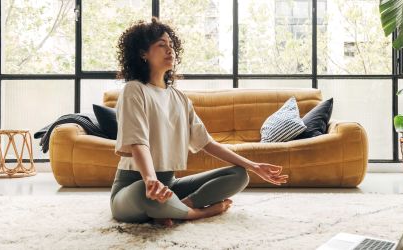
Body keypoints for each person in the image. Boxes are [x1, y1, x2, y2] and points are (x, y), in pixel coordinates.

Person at [110, 17, 288, 227]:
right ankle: (197, 213)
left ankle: (179, 206)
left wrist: (253, 165)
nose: (170, 50)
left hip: (169, 185)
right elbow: (138, 142)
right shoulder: (135, 90)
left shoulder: (180, 98)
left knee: (239, 175)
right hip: (134, 187)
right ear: (143, 53)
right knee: (144, 192)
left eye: (171, 45)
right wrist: (150, 179)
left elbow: (207, 143)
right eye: (161, 45)